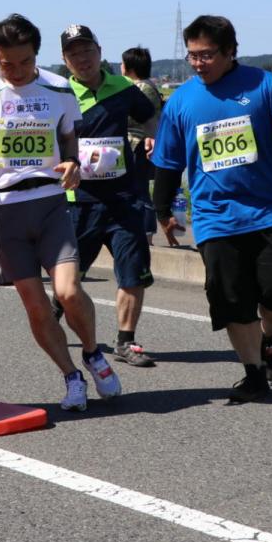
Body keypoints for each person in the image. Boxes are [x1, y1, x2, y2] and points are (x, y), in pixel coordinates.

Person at [0, 13, 121, 412]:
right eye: (6, 63)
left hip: (49, 203)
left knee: (67, 290)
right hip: (4, 210)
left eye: (25, 61)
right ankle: (71, 376)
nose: (16, 70)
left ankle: (94, 353)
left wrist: (72, 165)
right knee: (35, 304)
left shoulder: (60, 88)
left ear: (37, 55)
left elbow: (69, 141)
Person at [152, 15, 272, 403]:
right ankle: (253, 373)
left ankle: (268, 335)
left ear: (230, 51)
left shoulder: (266, 85)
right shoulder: (181, 101)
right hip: (214, 216)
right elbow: (167, 161)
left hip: (271, 210)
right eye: (192, 55)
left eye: (207, 54)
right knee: (230, 298)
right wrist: (163, 209)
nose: (198, 63)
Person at [59, 25, 158, 366]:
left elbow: (151, 116)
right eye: (74, 54)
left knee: (132, 271)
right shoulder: (59, 94)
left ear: (100, 52)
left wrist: (153, 139)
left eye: (87, 51)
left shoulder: (122, 88)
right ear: (64, 60)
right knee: (69, 280)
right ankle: (52, 320)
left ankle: (126, 342)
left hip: (124, 197)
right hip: (78, 201)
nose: (82, 59)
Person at [120, 46, 163, 245]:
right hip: (137, 144)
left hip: (139, 144)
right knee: (137, 189)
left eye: (123, 63)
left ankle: (147, 233)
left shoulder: (142, 88)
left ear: (130, 66)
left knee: (140, 190)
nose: (121, 66)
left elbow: (136, 118)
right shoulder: (144, 85)